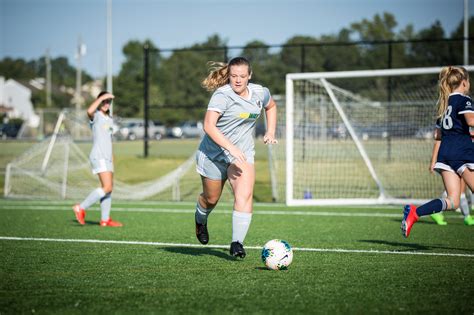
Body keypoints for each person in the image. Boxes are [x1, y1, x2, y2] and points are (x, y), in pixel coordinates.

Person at [194, 57, 277, 257]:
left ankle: (237, 243)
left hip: (242, 153)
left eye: (242, 76)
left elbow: (271, 106)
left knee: (244, 194)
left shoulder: (260, 92)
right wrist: (230, 147)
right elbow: (208, 126)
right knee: (211, 198)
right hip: (213, 155)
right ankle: (200, 220)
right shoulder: (222, 96)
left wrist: (271, 131)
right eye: (233, 76)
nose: (238, 80)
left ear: (250, 75)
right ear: (228, 76)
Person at [402, 66, 474, 238]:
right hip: (462, 152)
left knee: (453, 201)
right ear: (464, 83)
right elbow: (471, 120)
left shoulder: (443, 103)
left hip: (446, 154)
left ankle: (415, 212)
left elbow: (438, 134)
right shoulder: (464, 100)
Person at [72, 91, 123, 227]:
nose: (106, 104)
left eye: (108, 102)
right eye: (104, 101)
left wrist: (112, 158)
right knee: (107, 187)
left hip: (107, 157)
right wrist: (102, 97)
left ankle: (105, 220)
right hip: (99, 156)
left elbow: (109, 139)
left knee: (109, 188)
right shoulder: (97, 116)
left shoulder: (109, 119)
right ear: (99, 101)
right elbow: (89, 111)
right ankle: (80, 208)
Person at [428, 124, 474, 226]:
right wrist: (433, 161)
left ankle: (465, 216)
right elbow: (438, 138)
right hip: (457, 157)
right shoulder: (460, 113)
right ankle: (466, 216)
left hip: (462, 155)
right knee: (458, 192)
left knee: (455, 193)